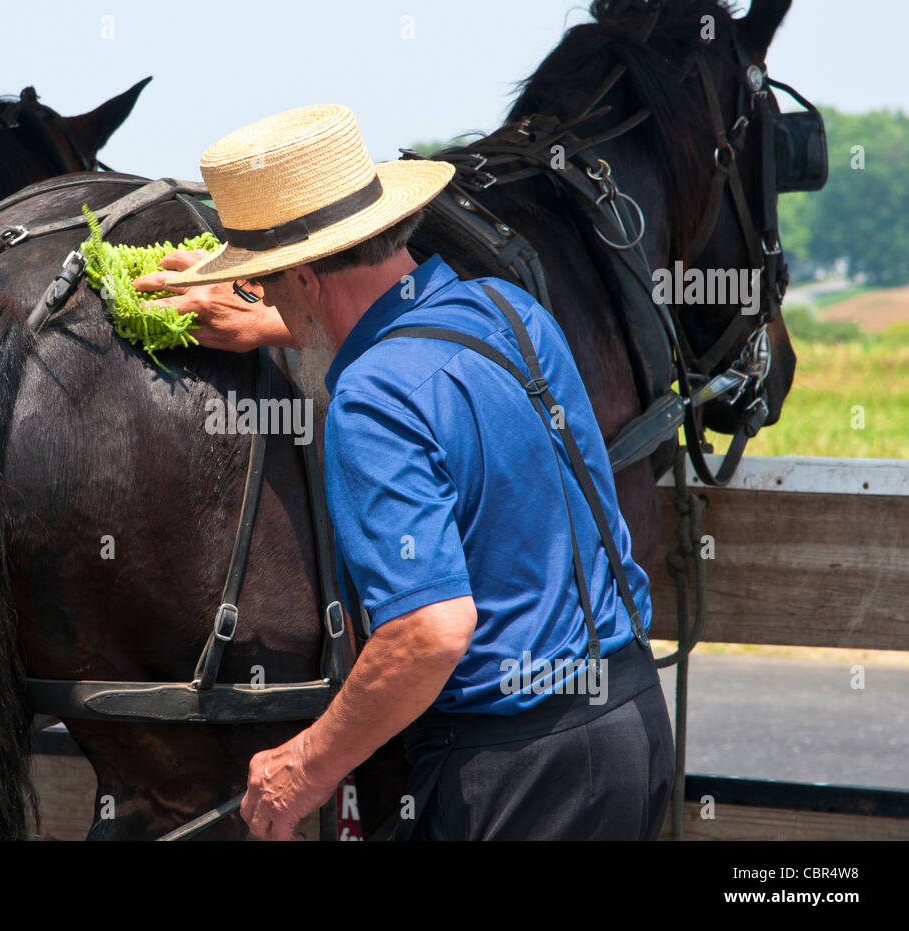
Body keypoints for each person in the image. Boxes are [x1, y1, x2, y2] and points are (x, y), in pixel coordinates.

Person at [133, 104, 674, 841]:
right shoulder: (511, 311)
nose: (263, 299)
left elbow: (429, 631)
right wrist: (278, 321)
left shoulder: (372, 400)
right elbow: (412, 328)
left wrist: (306, 764)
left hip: (509, 775)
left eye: (268, 283)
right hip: (630, 727)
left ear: (302, 274)